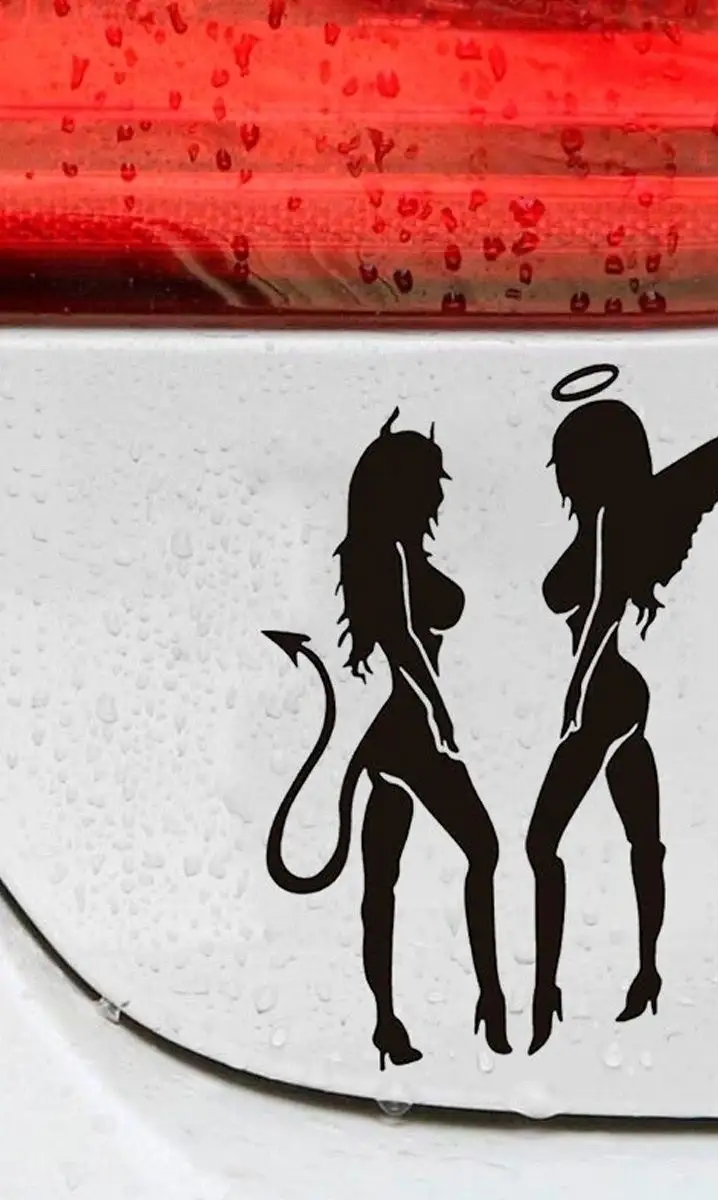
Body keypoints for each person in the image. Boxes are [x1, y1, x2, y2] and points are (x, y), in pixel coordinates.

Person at [265, 408, 511, 1070]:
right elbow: (403, 642)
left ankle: (386, 1021)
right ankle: (489, 1001)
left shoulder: (386, 552)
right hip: (411, 730)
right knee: (480, 850)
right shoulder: (391, 555)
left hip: (392, 733)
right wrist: (439, 716)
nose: (438, 496)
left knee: (383, 884)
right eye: (431, 483)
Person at [526, 371, 718, 1054]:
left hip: (604, 696)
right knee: (643, 839)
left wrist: (576, 689)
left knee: (543, 844)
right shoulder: (608, 522)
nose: (562, 478)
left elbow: (603, 610)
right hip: (622, 695)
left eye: (569, 462)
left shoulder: (610, 522)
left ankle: (549, 988)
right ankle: (645, 972)